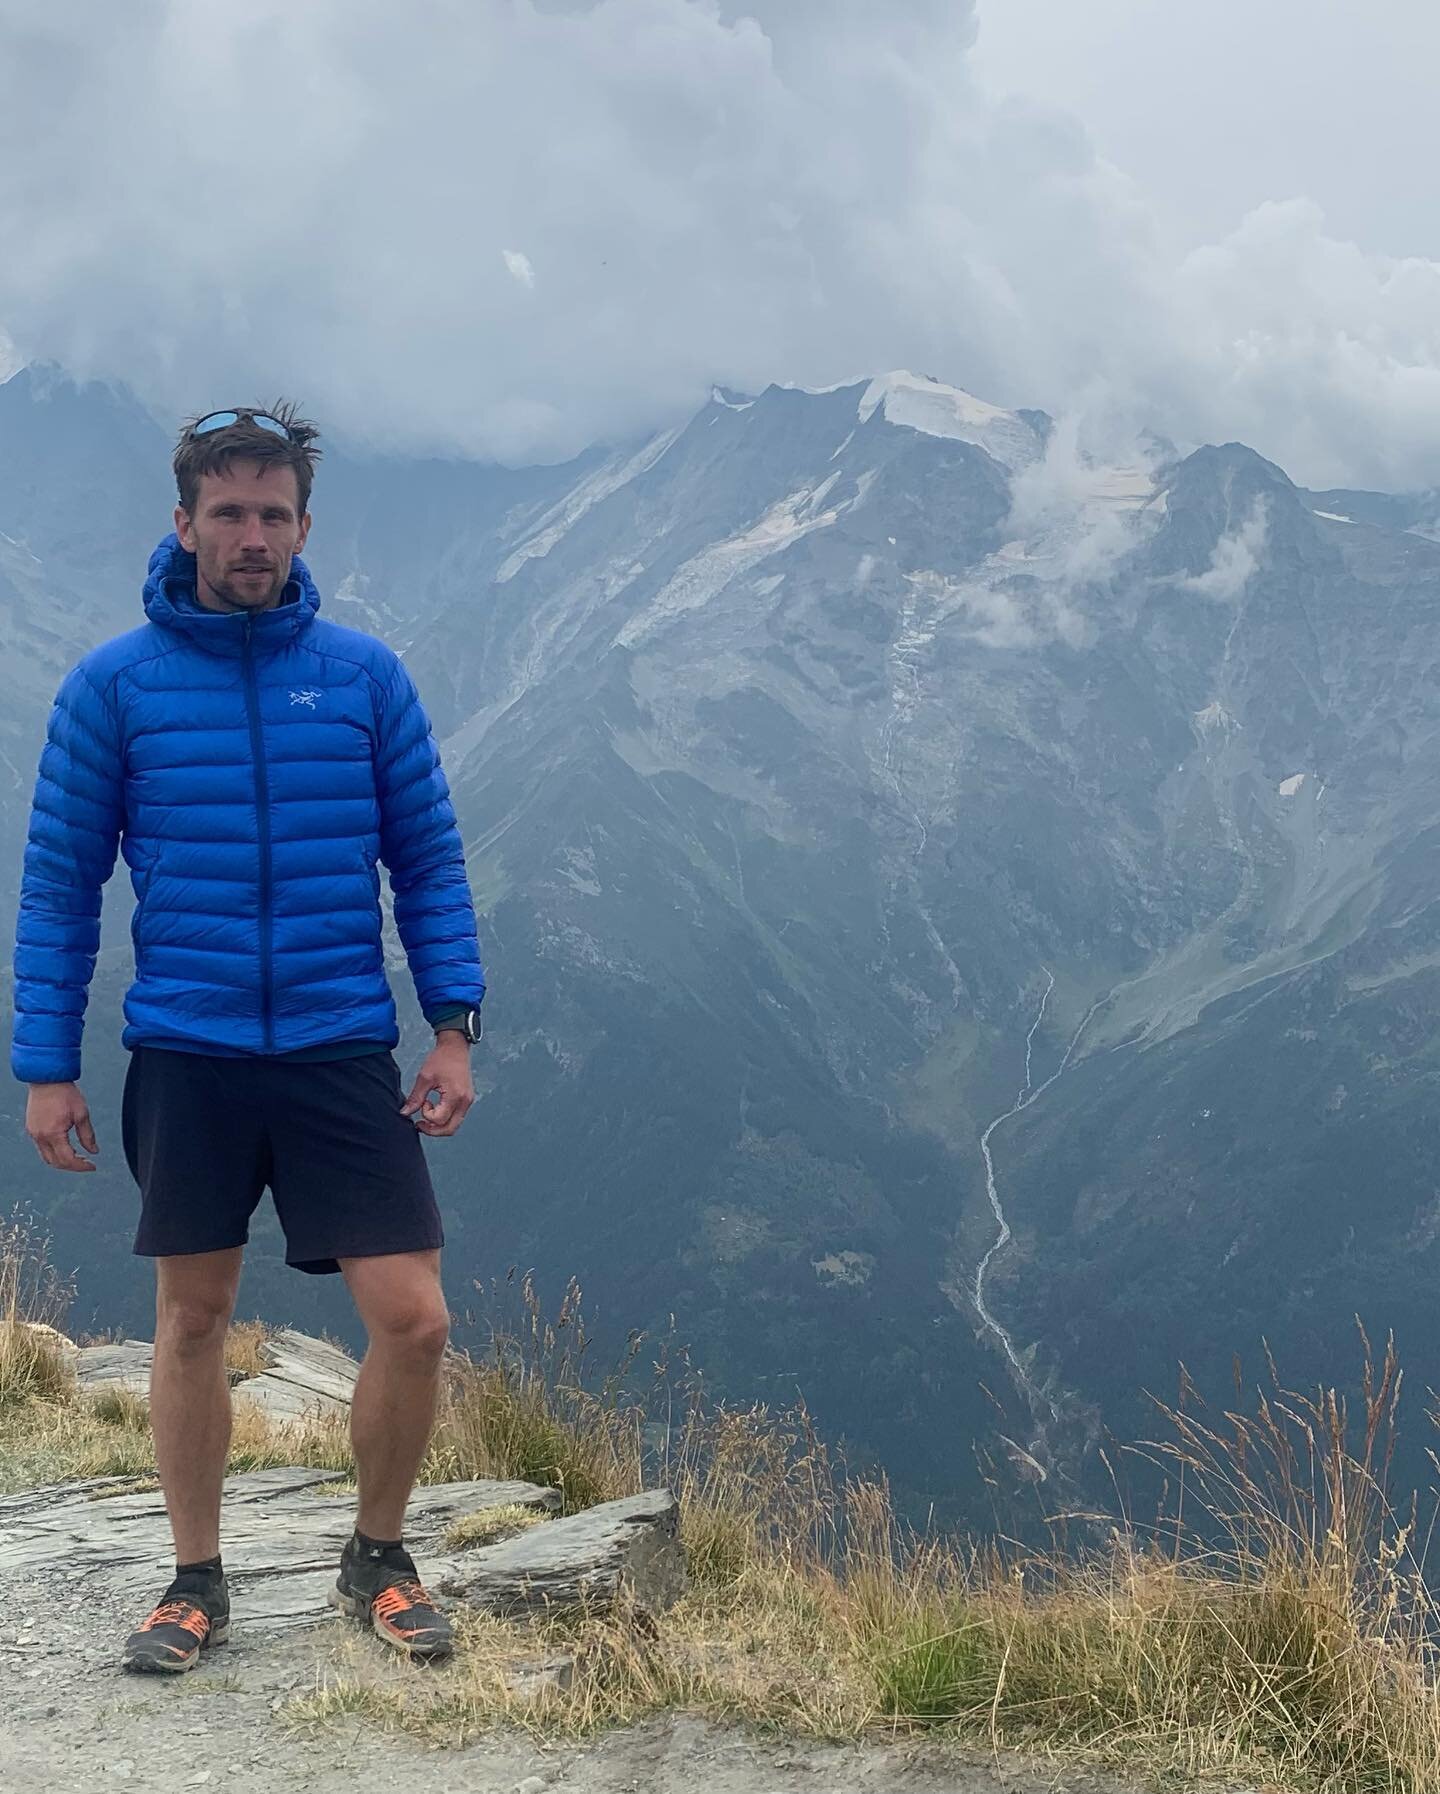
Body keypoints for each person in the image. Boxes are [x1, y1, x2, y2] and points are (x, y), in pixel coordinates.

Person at [10, 404, 486, 1671]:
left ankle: (377, 1557)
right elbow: (61, 883)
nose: (253, 535)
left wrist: (455, 1028)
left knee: (416, 1317)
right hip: (190, 1047)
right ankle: (194, 1582)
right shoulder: (115, 686)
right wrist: (45, 1066)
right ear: (184, 523)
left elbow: (428, 862)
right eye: (229, 512)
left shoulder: (366, 677)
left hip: (340, 1044)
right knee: (191, 1322)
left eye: (274, 513)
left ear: (304, 526)